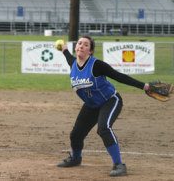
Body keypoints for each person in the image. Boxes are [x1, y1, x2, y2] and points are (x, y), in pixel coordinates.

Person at [56, 36, 150, 177]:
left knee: (104, 128)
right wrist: (63, 48)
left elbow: (118, 76)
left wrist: (144, 86)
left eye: (86, 45)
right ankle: (76, 158)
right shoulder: (73, 64)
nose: (81, 46)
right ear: (76, 48)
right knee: (76, 134)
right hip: (91, 105)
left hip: (110, 101)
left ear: (91, 51)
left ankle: (119, 165)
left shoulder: (97, 65)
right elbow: (67, 56)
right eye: (79, 44)